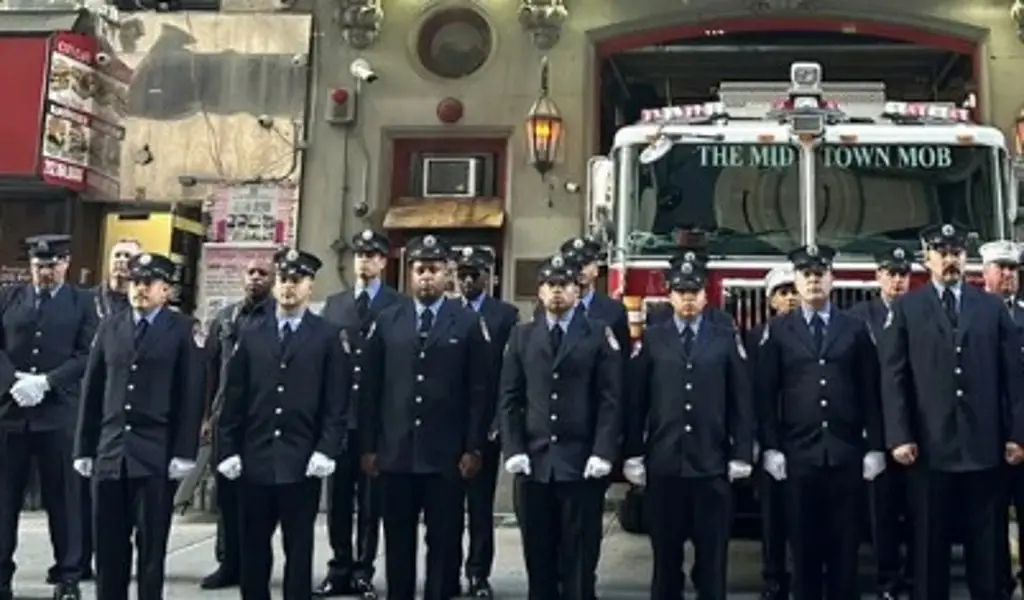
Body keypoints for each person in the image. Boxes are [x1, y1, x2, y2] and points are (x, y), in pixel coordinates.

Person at [880, 223, 1024, 600]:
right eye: (942, 253)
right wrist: (900, 435)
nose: (950, 260)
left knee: (987, 547)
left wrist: (1016, 434)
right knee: (928, 545)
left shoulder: (991, 307)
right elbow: (894, 377)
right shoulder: (908, 307)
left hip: (984, 445)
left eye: (957, 253)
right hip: (930, 446)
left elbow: (1013, 377)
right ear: (927, 258)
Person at [360, 234, 491, 600]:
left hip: (445, 456)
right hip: (396, 453)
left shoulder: (465, 323)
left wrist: (473, 447)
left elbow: (478, 392)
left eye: (434, 269)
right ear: (409, 274)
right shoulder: (386, 321)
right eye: (420, 270)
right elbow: (371, 390)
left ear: (446, 274)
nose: (427, 277)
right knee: (398, 539)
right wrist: (368, 447)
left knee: (445, 541)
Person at [217, 247, 348, 600]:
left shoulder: (327, 336)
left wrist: (326, 448)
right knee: (254, 550)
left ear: (310, 286)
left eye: (296, 280)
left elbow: (336, 402)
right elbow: (234, 398)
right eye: (284, 279)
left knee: (298, 549)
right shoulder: (253, 332)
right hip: (255, 457)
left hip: (301, 459)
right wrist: (227, 448)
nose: (288, 287)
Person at [73, 252, 205, 600]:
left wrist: (184, 451)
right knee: (109, 544)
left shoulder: (182, 329)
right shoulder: (111, 326)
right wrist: (84, 447)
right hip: (112, 451)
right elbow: (94, 388)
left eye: (148, 284)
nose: (140, 290)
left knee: (150, 547)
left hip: (154, 453)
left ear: (166, 290)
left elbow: (191, 394)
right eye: (135, 283)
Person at [756, 244, 884, 600]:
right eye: (806, 275)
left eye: (820, 274)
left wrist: (874, 447)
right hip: (798, 454)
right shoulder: (778, 332)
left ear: (832, 279)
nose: (813, 281)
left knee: (846, 549)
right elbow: (766, 395)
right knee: (803, 547)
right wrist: (770, 447)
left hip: (845, 453)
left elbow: (870, 391)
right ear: (796, 281)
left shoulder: (855, 329)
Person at [624, 258, 754, 600]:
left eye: (693, 292)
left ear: (705, 296)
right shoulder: (653, 338)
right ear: (669, 296)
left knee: (713, 558)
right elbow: (636, 401)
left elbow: (741, 401)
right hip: (664, 463)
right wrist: (634, 454)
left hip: (711, 464)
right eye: (680, 292)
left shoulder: (725, 337)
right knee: (665, 558)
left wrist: (741, 452)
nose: (687, 299)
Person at [500, 253, 622, 600]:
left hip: (580, 463)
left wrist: (602, 451)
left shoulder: (598, 334)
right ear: (539, 292)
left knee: (580, 558)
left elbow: (610, 400)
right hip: (535, 464)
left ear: (578, 291)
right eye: (550, 285)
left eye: (565, 285)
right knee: (538, 557)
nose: (557, 292)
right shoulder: (521, 336)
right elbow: (509, 398)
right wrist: (514, 449)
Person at [0, 235, 97, 600]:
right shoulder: (9, 298)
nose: (45, 271)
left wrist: (47, 381)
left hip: (57, 413)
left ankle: (68, 576)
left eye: (52, 264)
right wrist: (12, 381)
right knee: (4, 500)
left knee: (64, 500)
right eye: (39, 265)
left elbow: (87, 354)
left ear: (66, 264)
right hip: (10, 414)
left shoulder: (82, 303)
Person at [316, 229, 400, 599]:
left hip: (375, 421)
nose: (364, 261)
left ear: (383, 262)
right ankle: (339, 566)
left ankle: (364, 568)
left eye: (372, 255)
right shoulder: (335, 305)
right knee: (338, 501)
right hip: (340, 418)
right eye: (360, 255)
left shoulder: (397, 306)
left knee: (371, 501)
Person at [194, 256, 275, 590]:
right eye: (251, 272)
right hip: (225, 418)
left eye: (263, 274)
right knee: (225, 497)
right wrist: (205, 417)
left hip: (261, 419)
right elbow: (209, 371)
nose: (256, 278)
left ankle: (252, 564)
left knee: (257, 500)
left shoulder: (277, 317)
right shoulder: (226, 319)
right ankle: (228, 562)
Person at [450, 245, 519, 598]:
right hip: (447, 426)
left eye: (474, 274)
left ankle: (478, 572)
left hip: (484, 424)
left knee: (479, 507)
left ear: (488, 277)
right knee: (446, 507)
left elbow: (508, 375)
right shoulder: (446, 311)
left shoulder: (504, 315)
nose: (466, 280)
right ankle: (447, 570)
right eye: (461, 274)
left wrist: (497, 423)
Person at [848, 246, 913, 600]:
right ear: (878, 277)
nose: (897, 280)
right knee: (882, 509)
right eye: (890, 272)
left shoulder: (921, 311)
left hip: (913, 428)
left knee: (917, 509)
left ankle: (916, 575)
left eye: (902, 273)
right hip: (874, 424)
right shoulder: (859, 317)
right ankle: (887, 578)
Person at [748, 266, 798, 600]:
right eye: (783, 292)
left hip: (807, 436)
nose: (790, 297)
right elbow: (751, 391)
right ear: (771, 301)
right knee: (773, 516)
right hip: (773, 435)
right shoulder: (756, 337)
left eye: (794, 290)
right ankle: (774, 575)